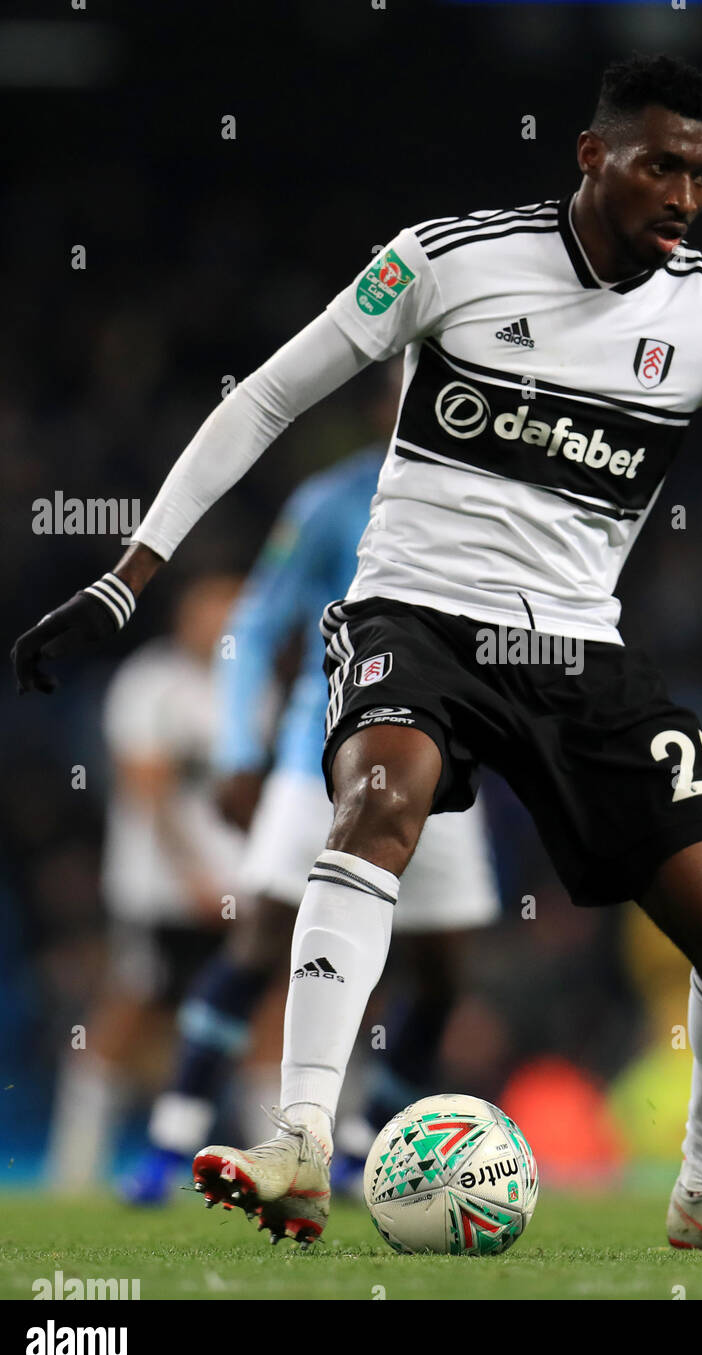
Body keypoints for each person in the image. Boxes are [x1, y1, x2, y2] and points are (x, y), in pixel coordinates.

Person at [13, 54, 702, 1251]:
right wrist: (126, 573)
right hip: (412, 613)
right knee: (379, 800)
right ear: (591, 155)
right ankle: (300, 1140)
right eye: (658, 164)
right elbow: (262, 399)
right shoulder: (445, 260)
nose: (680, 195)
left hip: (577, 649)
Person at [124, 368, 501, 1204]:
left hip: (449, 764)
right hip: (316, 753)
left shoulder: (496, 503)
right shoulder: (333, 503)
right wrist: (234, 748)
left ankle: (366, 1150)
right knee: (261, 936)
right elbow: (259, 620)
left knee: (440, 972)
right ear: (383, 411)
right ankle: (171, 1140)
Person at [45, 574, 245, 1189]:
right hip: (161, 892)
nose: (224, 624)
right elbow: (147, 790)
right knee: (132, 1011)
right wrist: (193, 878)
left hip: (240, 893)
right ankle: (74, 1165)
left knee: (265, 1012)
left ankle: (291, 1166)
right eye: (213, 608)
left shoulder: (253, 688)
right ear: (186, 614)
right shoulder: (149, 683)